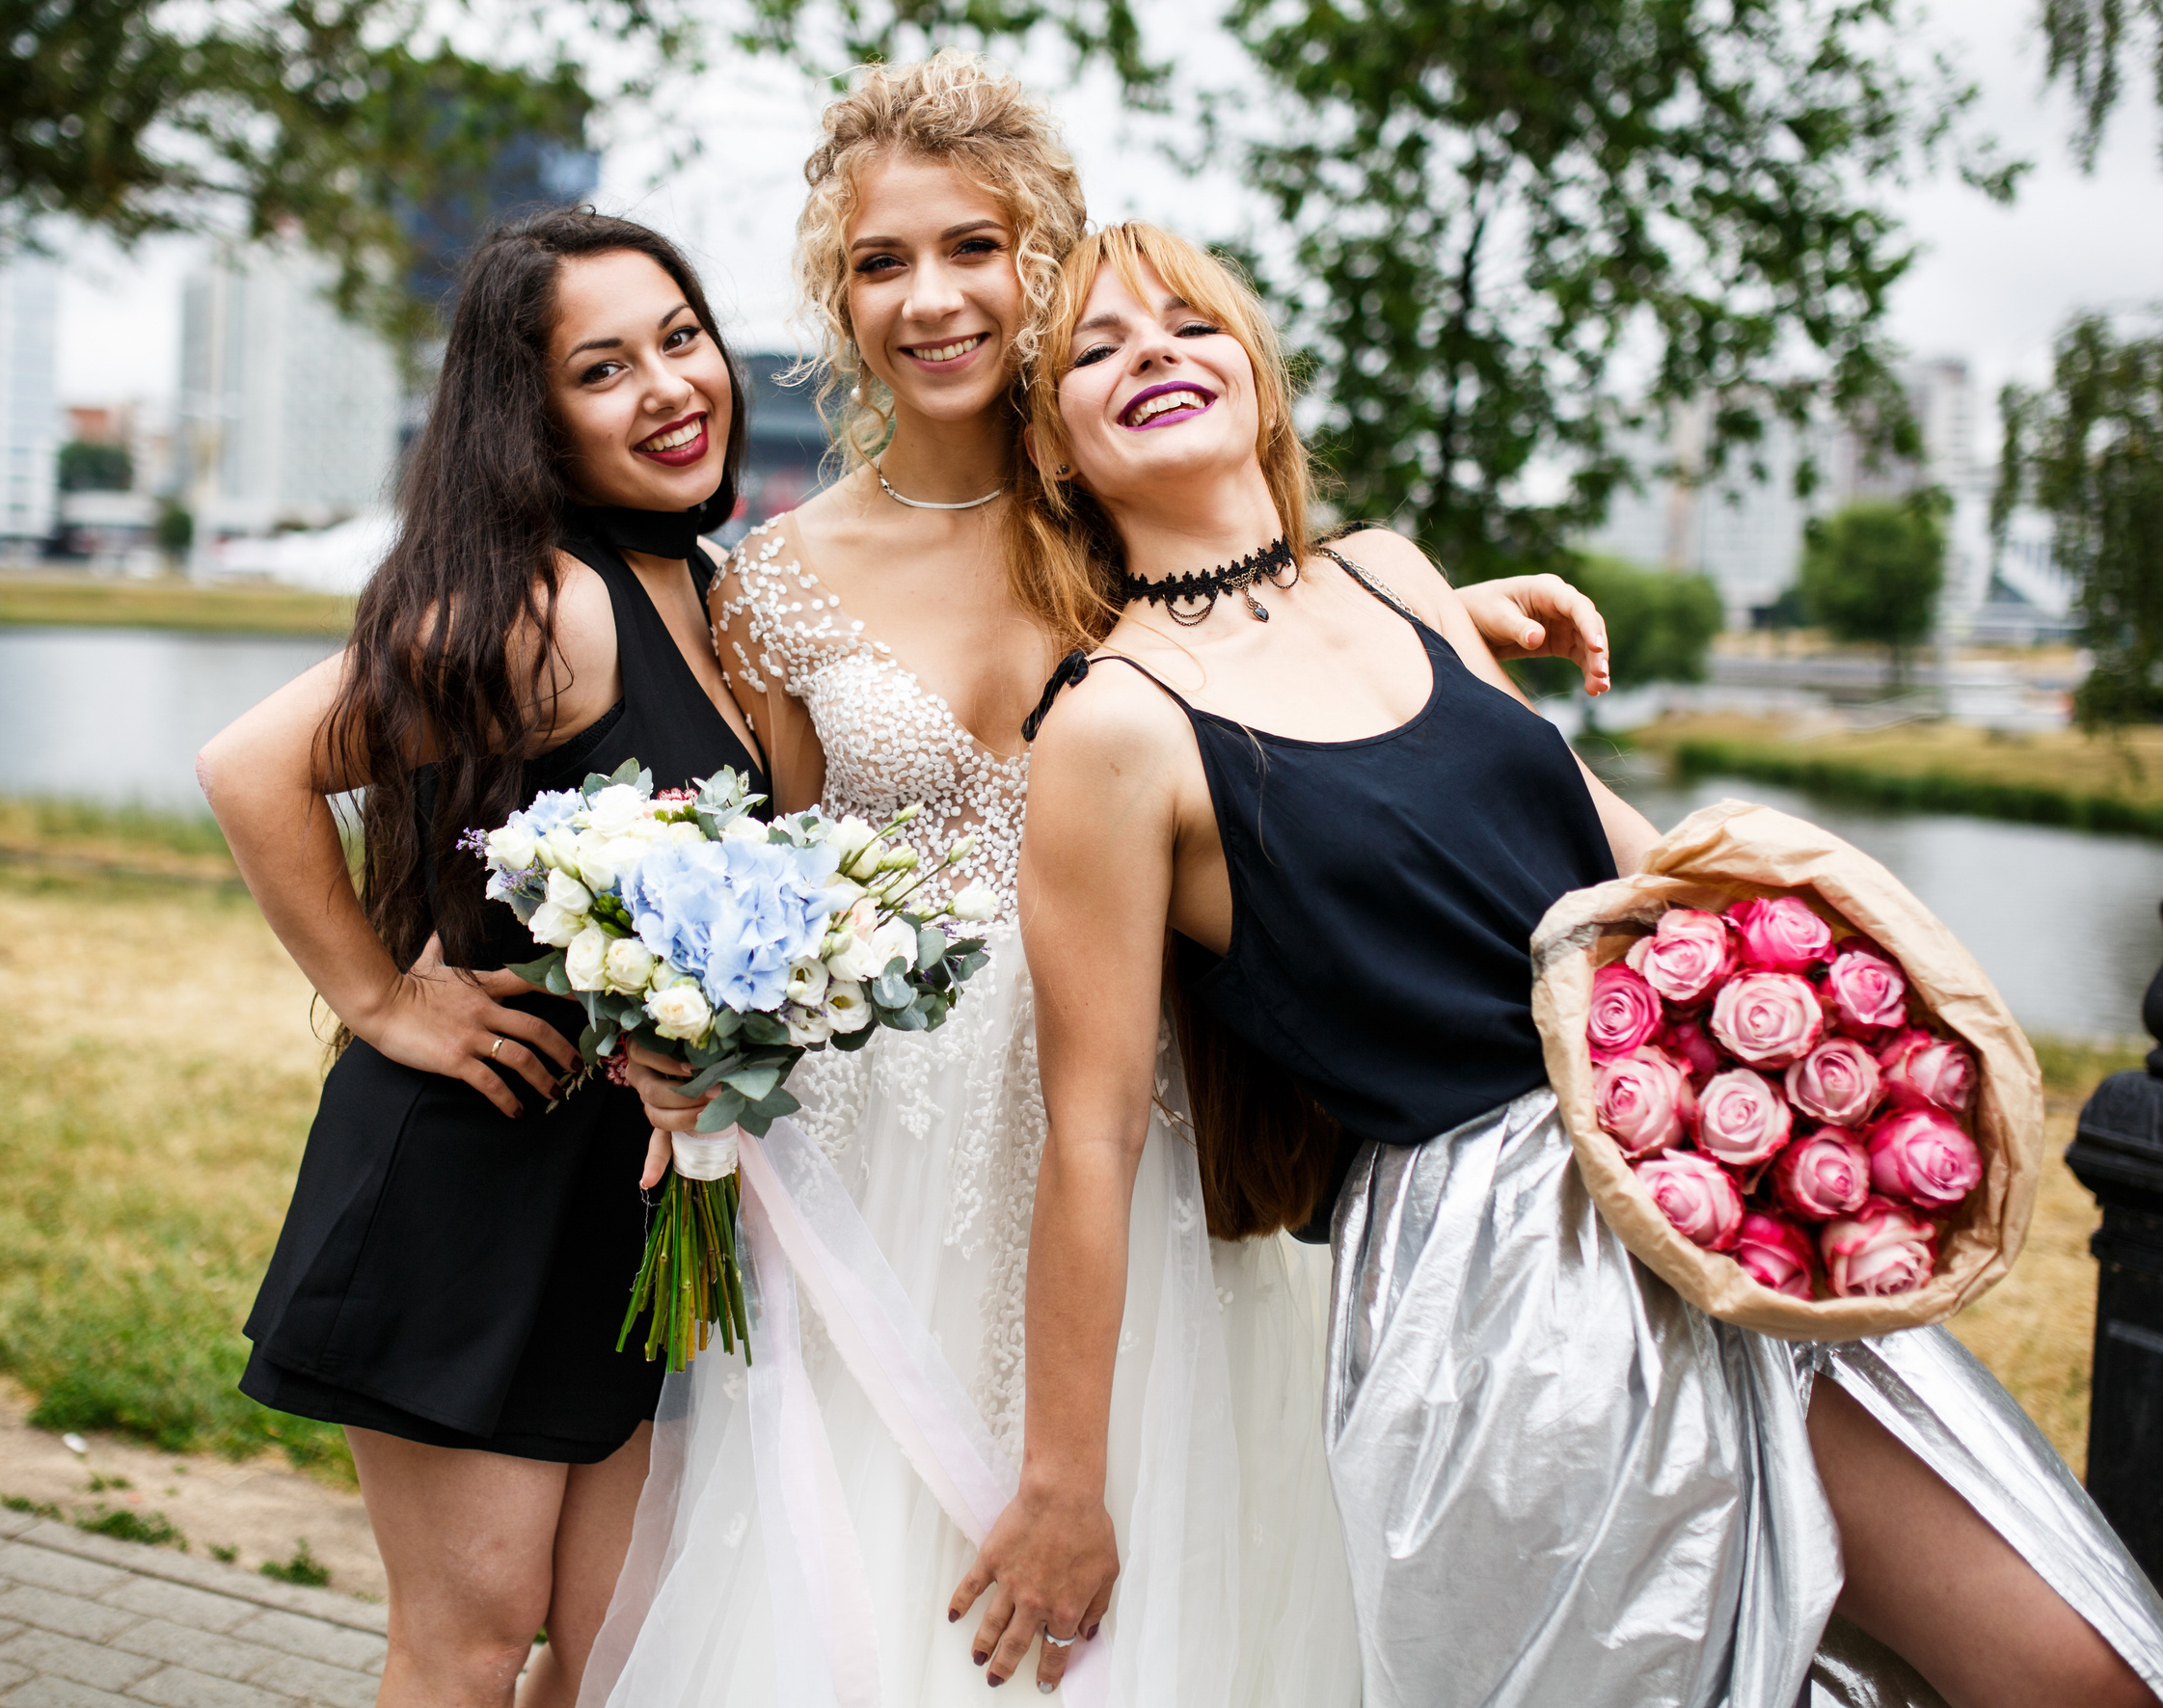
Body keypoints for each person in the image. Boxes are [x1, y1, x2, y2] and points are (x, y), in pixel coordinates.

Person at [953, 217, 2163, 1708]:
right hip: (1498, 1276)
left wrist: (1848, 1043)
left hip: (1701, 1147)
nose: (1153, 354)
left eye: (1190, 324)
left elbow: (1627, 862)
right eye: (1098, 349)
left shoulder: (1394, 578)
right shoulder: (1113, 729)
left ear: (1257, 376)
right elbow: (1092, 1135)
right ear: (1054, 451)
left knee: (2078, 1671)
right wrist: (1064, 1484)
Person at [588, 56, 1614, 1708]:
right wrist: (693, 1033)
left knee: (1172, 1547)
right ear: (838, 302)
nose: (932, 299)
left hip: (1147, 1107)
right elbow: (783, 876)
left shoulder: (1120, 502)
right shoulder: (771, 582)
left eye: (974, 248)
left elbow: (1285, 634)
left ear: (1043, 261)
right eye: (881, 262)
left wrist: (1450, 608)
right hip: (887, 1144)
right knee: (872, 1567)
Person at [196, 209, 766, 1708]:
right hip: (475, 1178)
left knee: (620, 1647)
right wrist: (382, 999)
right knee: (470, 1644)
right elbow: (253, 766)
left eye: (681, 339)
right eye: (604, 368)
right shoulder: (548, 603)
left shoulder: (704, 588)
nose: (669, 386)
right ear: (535, 417)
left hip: (628, 1201)